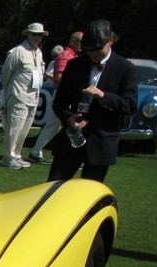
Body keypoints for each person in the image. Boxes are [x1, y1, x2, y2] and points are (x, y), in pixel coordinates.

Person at [48, 19, 137, 183]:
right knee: (52, 188)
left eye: (98, 49)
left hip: (101, 142)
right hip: (71, 139)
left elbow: (129, 105)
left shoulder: (125, 68)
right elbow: (59, 102)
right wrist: (68, 117)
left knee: (89, 196)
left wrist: (103, 96)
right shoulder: (75, 65)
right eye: (89, 50)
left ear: (110, 40)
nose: (93, 54)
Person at [0, 22, 47, 169]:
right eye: (34, 34)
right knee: (14, 127)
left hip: (33, 97)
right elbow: (6, 73)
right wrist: (7, 92)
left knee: (25, 128)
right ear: (27, 34)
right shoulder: (18, 51)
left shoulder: (39, 53)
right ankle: (8, 157)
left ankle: (17, 155)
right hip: (18, 95)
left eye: (40, 35)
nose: (37, 37)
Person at [29, 32, 81, 163]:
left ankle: (36, 152)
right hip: (65, 95)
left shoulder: (70, 56)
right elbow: (59, 77)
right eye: (80, 42)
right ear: (73, 41)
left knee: (54, 125)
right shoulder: (66, 56)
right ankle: (70, 156)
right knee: (66, 124)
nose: (83, 45)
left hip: (65, 94)